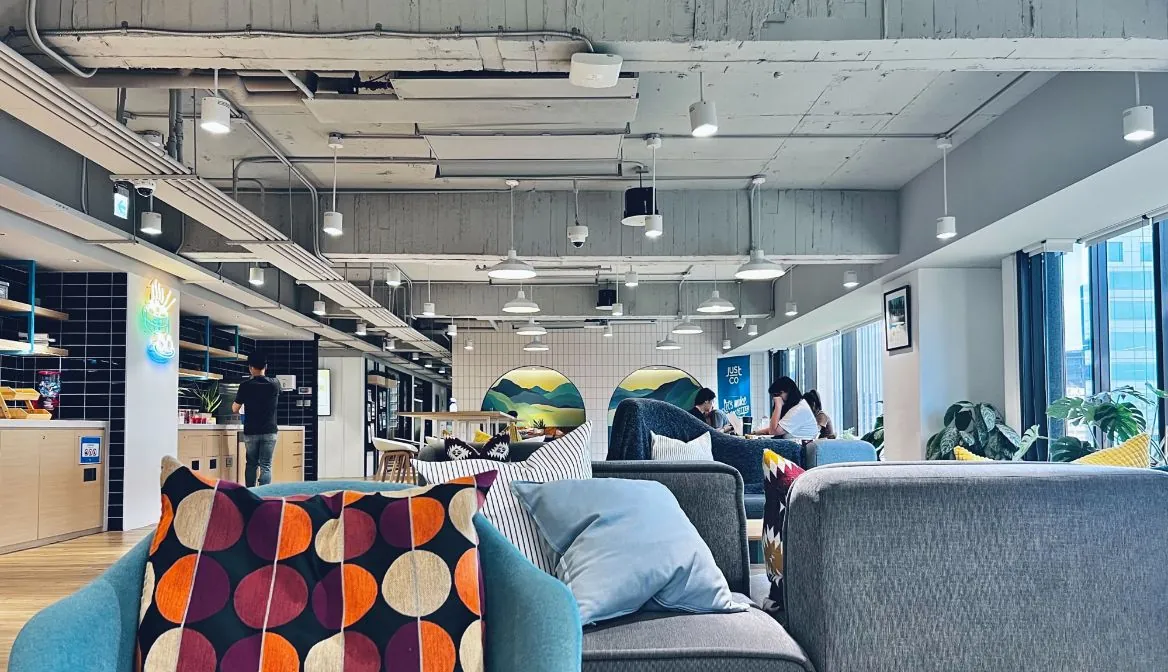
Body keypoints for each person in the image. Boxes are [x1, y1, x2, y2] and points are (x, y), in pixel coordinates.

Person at [232, 352, 282, 486]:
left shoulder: (245, 385)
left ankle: (250, 492)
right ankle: (264, 494)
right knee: (266, 465)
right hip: (270, 430)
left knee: (251, 464)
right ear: (266, 366)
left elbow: (235, 408)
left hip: (251, 431)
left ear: (250, 368)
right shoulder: (275, 384)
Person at [754, 376, 819, 440]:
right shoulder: (798, 406)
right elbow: (776, 428)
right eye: (774, 396)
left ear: (789, 392)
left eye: (778, 394)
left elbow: (773, 431)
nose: (776, 398)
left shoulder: (798, 409)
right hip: (797, 444)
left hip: (800, 445)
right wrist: (755, 433)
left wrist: (778, 406)